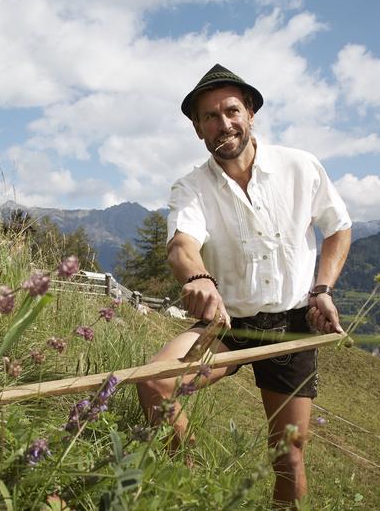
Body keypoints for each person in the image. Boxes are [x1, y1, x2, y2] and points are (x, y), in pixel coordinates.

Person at [136, 63, 352, 508]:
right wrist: (198, 278)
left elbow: (338, 228)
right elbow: (181, 246)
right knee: (156, 385)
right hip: (228, 325)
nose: (223, 124)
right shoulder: (192, 187)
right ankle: (196, 487)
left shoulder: (300, 166)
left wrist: (323, 288)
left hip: (292, 326)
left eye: (231, 110)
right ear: (198, 129)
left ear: (250, 112)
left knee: (288, 455)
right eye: (209, 117)